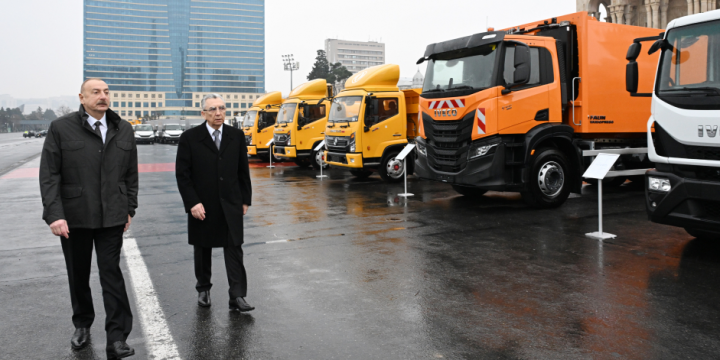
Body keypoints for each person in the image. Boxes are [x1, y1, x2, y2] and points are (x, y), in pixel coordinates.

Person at [39, 78, 137, 359]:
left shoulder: (123, 129)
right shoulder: (61, 128)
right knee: (78, 274)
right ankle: (82, 324)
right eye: (96, 92)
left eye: (106, 92)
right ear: (82, 97)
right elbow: (49, 175)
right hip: (74, 217)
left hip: (112, 217)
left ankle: (117, 337)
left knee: (112, 275)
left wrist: (129, 208)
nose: (102, 96)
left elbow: (131, 175)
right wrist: (55, 215)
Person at [175, 94, 254, 312]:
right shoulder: (190, 137)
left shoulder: (235, 136)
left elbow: (242, 170)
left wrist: (245, 199)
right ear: (203, 113)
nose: (218, 113)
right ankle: (203, 289)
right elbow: (183, 175)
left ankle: (237, 296)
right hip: (203, 203)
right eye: (212, 109)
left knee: (234, 248)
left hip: (231, 202)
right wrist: (193, 203)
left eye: (221, 108)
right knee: (203, 248)